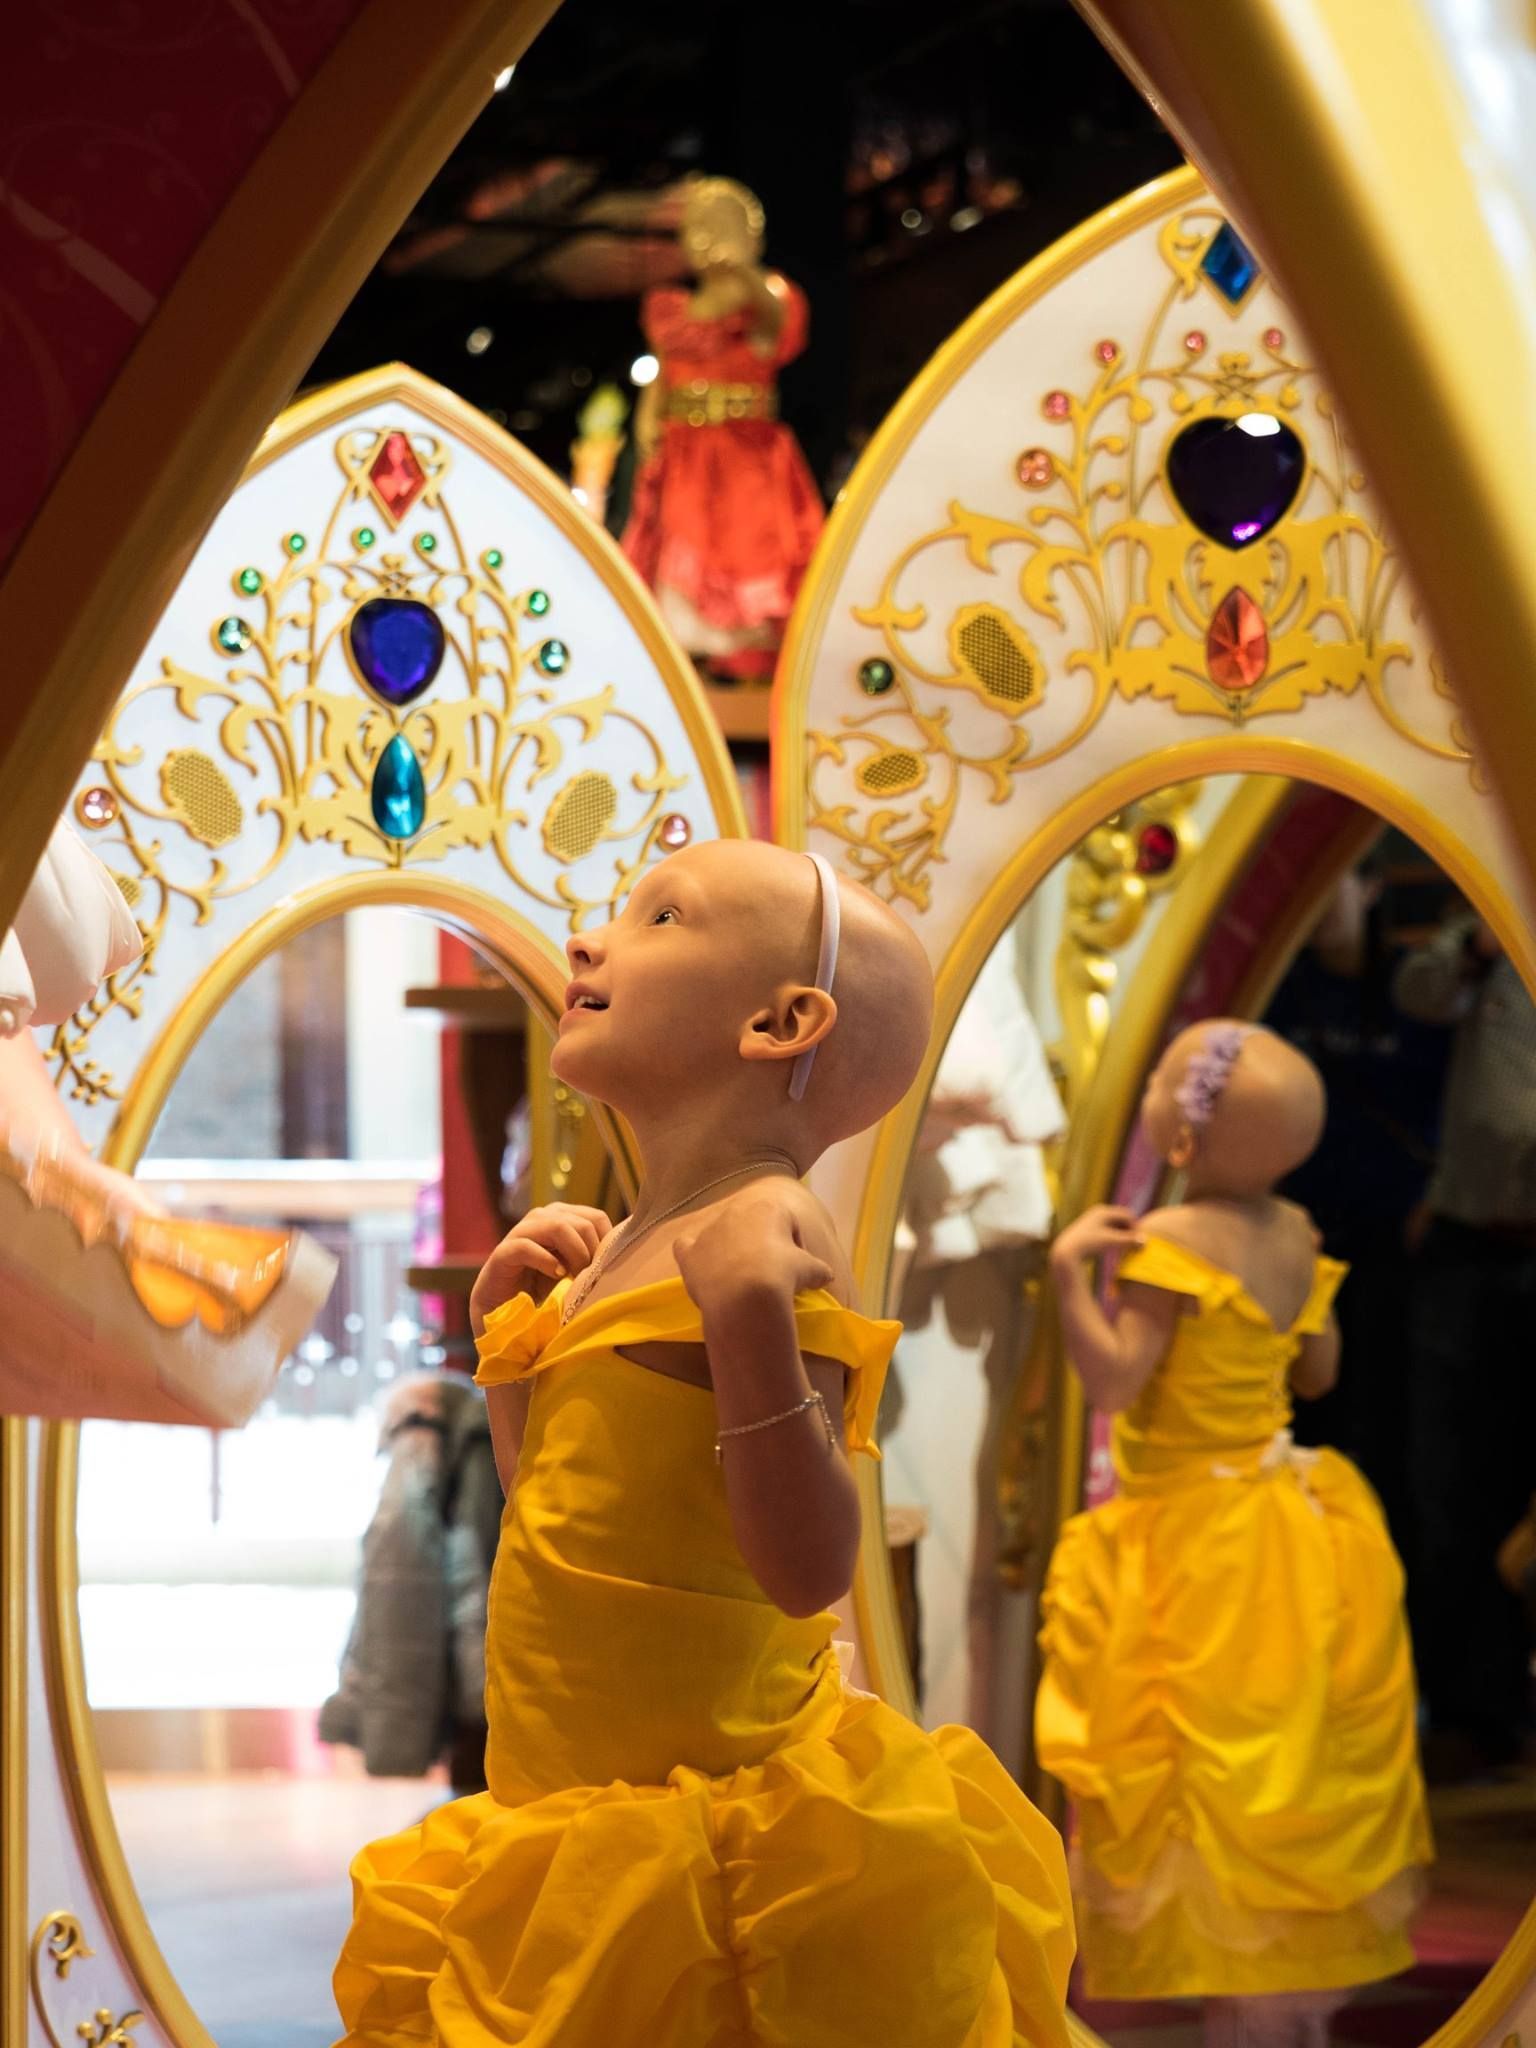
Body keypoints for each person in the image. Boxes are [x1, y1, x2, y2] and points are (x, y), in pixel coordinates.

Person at [330, 839, 1075, 2047]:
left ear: (782, 1021)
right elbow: (555, 1523)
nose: (589, 939)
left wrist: (751, 1328)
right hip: (575, 1811)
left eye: (659, 915)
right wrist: (504, 1350)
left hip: (710, 1844)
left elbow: (807, 1565)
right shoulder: (623, 1239)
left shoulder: (770, 1221)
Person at [1038, 1023, 1432, 2046]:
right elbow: (1318, 1374)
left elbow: (1118, 1381)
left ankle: (1229, 2001)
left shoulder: (1168, 1244)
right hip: (1293, 1523)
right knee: (1286, 1760)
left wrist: (1071, 1275)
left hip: (1196, 1541)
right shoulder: (1297, 1229)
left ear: (1176, 1134)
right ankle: (1283, 2007)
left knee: (1202, 1765)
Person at [1393, 913, 1536, 1773]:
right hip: (1467, 1242)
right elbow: (1416, 994)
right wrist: (1481, 943)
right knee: (1446, 1476)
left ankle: (1509, 1711)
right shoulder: (1491, 927)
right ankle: (1464, 1711)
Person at [621, 178, 823, 683]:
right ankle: (692, 654)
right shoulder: (675, 312)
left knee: (746, 543)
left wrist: (746, 275)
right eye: (698, 230)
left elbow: (776, 325)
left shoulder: (766, 300)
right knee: (683, 540)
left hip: (745, 454)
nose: (709, 241)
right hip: (686, 451)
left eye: (721, 229)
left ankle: (747, 653)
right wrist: (648, 418)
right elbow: (666, 371)